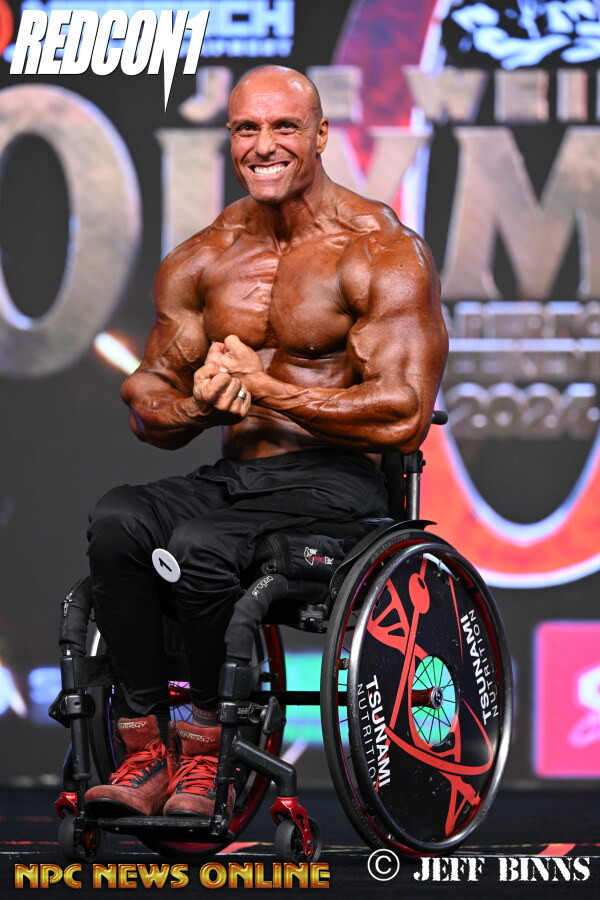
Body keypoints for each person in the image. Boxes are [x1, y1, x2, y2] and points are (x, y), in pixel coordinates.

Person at [84, 65, 448, 820]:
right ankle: (146, 747)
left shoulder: (380, 249)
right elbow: (147, 400)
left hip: (338, 489)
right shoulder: (206, 256)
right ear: (230, 139)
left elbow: (405, 413)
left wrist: (269, 389)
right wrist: (200, 406)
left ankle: (205, 745)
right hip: (240, 480)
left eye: (285, 126)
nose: (264, 144)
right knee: (120, 519)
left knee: (201, 545)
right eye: (247, 128)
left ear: (320, 135)